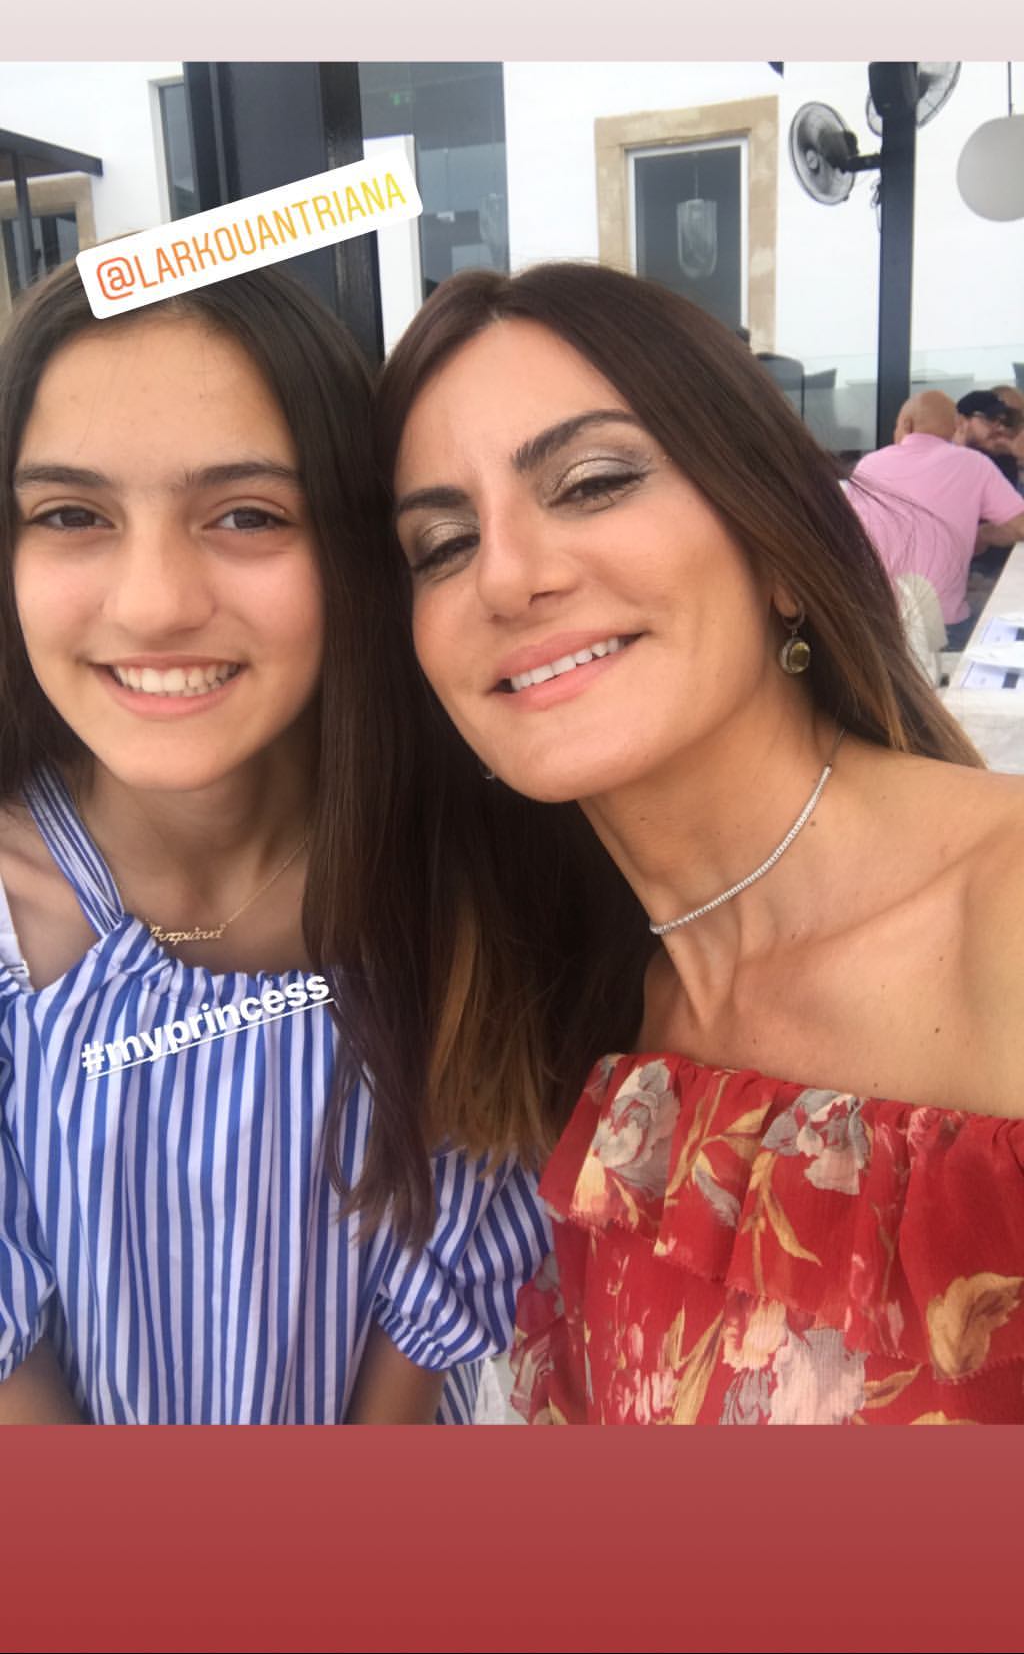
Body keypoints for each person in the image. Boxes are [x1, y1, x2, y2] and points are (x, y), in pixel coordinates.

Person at [358, 261, 1024, 1426]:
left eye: (593, 482)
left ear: (777, 544)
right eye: (443, 544)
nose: (505, 576)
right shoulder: (583, 1012)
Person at [0, 261, 548, 1425]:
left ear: (356, 546)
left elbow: (436, 1303)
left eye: (246, 515)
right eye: (71, 515)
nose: (154, 604)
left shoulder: (458, 869)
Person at [845, 390, 1024, 648]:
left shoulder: (868, 466)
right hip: (945, 629)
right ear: (955, 427)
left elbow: (848, 534)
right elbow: (1020, 526)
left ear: (906, 425)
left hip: (879, 625)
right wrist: (982, 535)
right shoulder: (974, 464)